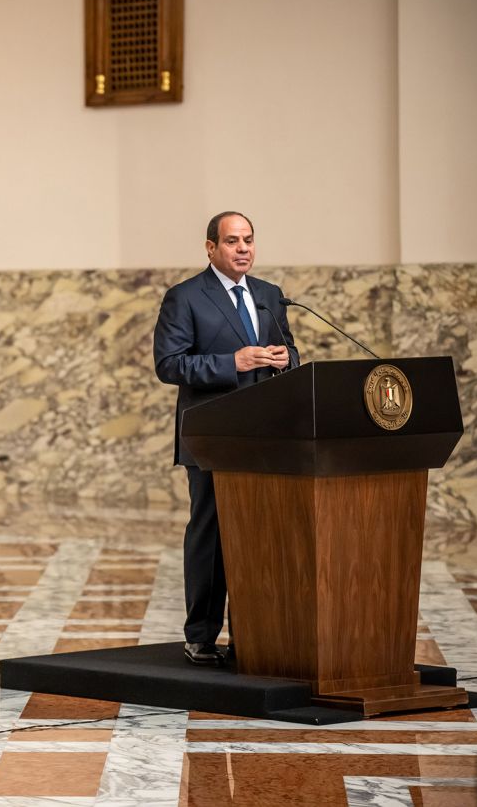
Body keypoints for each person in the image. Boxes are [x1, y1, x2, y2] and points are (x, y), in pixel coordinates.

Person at [152, 211, 298, 666]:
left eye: (249, 240)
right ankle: (201, 635)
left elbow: (290, 350)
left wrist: (284, 357)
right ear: (211, 247)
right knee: (211, 537)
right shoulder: (186, 297)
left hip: (266, 438)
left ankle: (256, 634)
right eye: (232, 241)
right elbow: (169, 364)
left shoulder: (270, 296)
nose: (243, 249)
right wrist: (231, 363)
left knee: (263, 538)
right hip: (212, 436)